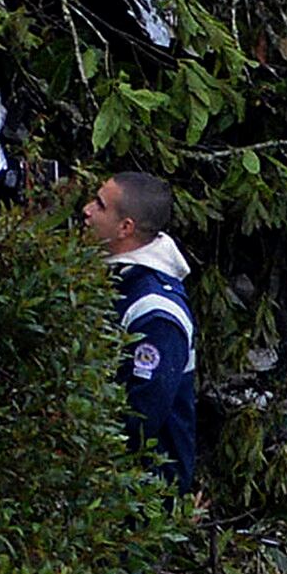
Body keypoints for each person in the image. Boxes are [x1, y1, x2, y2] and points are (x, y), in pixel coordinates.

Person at [80, 168, 199, 486]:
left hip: (142, 494)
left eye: (100, 205)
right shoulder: (115, 281)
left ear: (125, 227)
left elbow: (141, 418)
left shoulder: (156, 312)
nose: (87, 210)